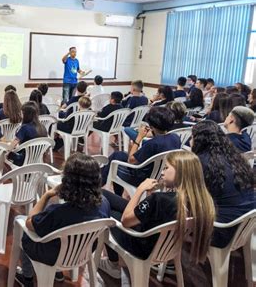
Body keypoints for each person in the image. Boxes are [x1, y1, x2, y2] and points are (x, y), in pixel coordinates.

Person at [99, 151, 215, 280]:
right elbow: (154, 213)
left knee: (106, 209)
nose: (162, 172)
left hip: (140, 244)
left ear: (181, 172)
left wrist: (140, 189)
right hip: (165, 245)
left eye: (166, 168)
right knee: (104, 193)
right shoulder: (199, 201)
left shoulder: (160, 199)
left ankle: (112, 264)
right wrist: (149, 197)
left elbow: (125, 221)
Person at [15, 153, 111, 286]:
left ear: (67, 181)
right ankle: (57, 273)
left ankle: (27, 278)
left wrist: (46, 195)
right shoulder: (104, 204)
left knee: (22, 223)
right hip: (83, 251)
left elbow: (29, 223)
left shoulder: (58, 212)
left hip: (53, 255)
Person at [191, 121, 255, 248]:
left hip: (223, 228)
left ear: (199, 140)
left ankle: (168, 253)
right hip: (247, 221)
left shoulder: (201, 162)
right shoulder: (235, 157)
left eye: (192, 137)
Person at [101, 107, 181, 196]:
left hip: (142, 177)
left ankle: (101, 185)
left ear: (152, 126)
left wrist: (139, 138)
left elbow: (131, 161)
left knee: (113, 163)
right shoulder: (176, 137)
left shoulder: (152, 144)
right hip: (160, 175)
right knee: (119, 155)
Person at [8, 102, 48, 166]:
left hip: (23, 161)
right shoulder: (42, 127)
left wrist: (7, 150)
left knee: (6, 155)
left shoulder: (24, 128)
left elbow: (13, 144)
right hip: (38, 160)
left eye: (21, 113)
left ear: (25, 114)